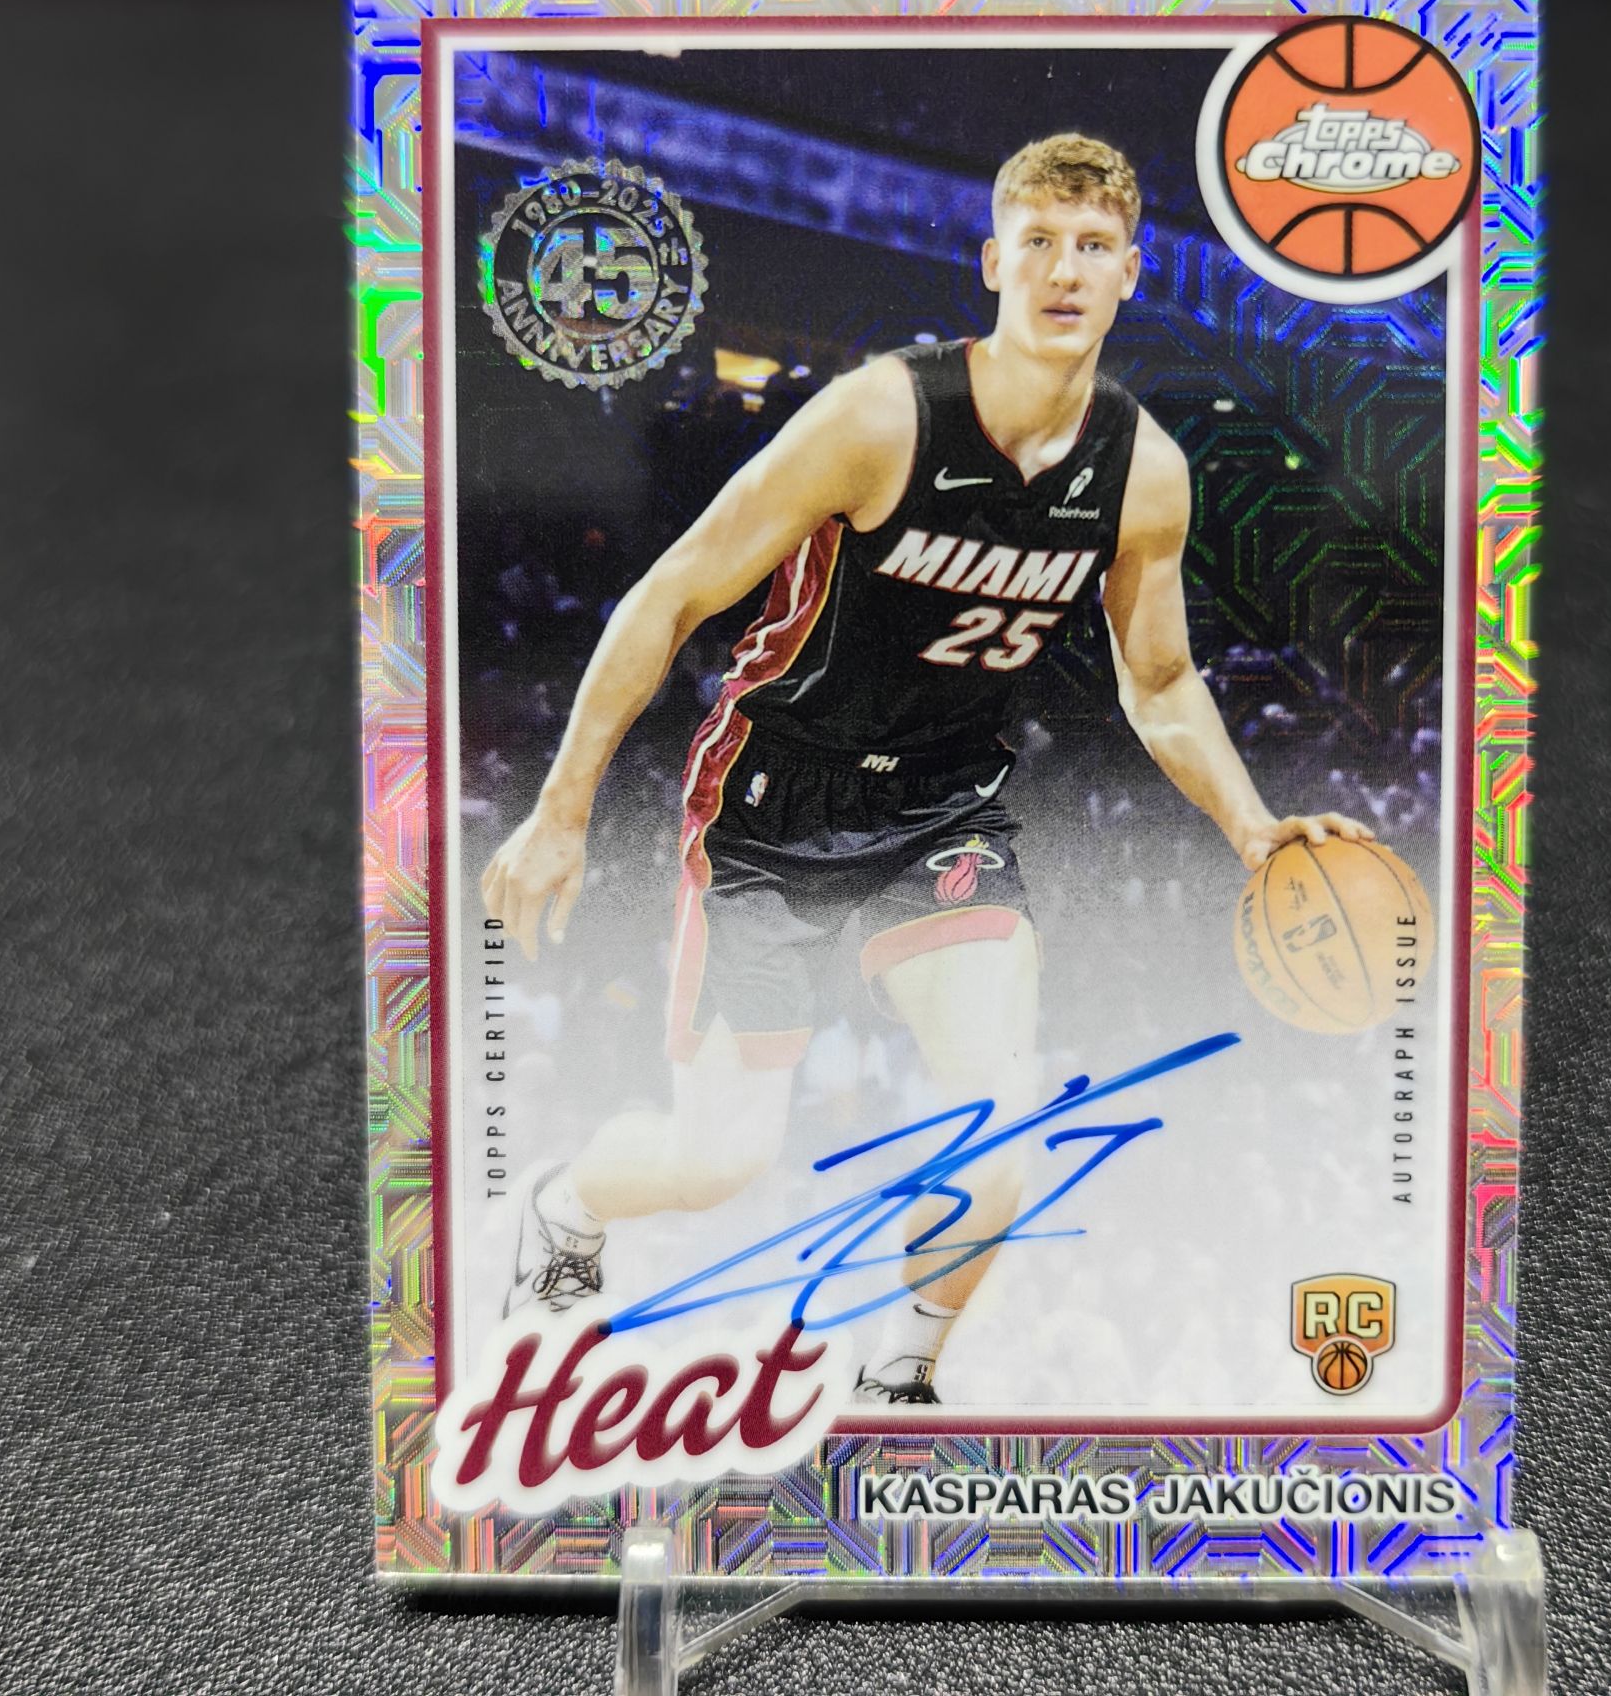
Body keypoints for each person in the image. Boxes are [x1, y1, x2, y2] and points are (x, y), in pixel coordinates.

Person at [481, 133, 1369, 1404]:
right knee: (718, 1159)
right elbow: (673, 592)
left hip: (946, 808)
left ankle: (899, 1379)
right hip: (777, 797)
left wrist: (1252, 826)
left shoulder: (1145, 475)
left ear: (1132, 272)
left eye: (1094, 247)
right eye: (1039, 242)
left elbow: (1163, 681)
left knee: (1004, 1128)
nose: (1065, 270)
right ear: (993, 260)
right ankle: (566, 1206)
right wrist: (561, 810)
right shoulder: (882, 417)